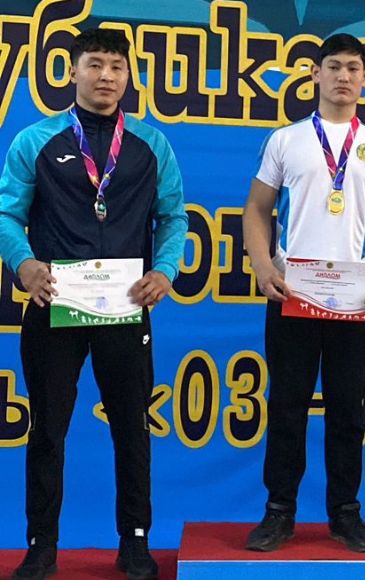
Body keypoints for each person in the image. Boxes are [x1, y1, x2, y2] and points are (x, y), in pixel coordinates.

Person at [0, 28, 187, 580]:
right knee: (48, 429)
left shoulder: (151, 145)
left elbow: (173, 216)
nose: (106, 76)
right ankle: (41, 546)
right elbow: (7, 213)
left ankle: (134, 542)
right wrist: (24, 264)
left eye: (116, 67)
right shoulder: (36, 140)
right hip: (54, 303)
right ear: (73, 71)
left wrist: (164, 270)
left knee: (132, 427)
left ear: (129, 76)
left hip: (125, 308)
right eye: (95, 64)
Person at [242, 33, 365, 554]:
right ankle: (279, 511)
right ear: (315, 74)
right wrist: (263, 266)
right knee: (286, 404)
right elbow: (256, 210)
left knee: (349, 408)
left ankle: (345, 512)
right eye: (333, 66)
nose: (343, 76)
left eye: (353, 68)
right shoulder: (286, 140)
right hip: (292, 293)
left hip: (356, 299)